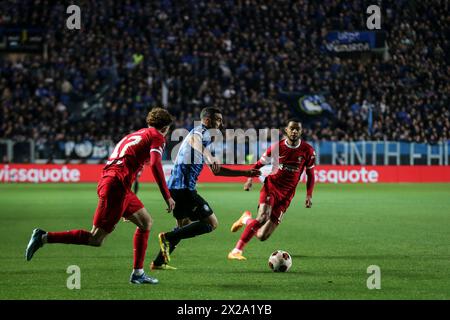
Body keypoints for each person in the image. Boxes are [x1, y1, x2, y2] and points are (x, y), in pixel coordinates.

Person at [25, 108, 176, 284]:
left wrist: (124, 205)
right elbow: (156, 165)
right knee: (95, 239)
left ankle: (138, 273)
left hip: (116, 184)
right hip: (116, 186)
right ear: (165, 128)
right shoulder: (157, 136)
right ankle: (43, 237)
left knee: (145, 222)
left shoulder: (135, 135)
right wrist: (167, 196)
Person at [150, 107, 260, 269]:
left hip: (175, 187)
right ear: (208, 120)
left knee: (183, 225)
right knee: (211, 223)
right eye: (218, 120)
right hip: (184, 188)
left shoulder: (206, 138)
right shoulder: (200, 131)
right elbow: (194, 140)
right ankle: (167, 237)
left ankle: (158, 262)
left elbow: (217, 171)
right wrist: (208, 155)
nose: (221, 124)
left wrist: (244, 173)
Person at [227, 119, 316, 260]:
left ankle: (246, 220)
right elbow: (258, 164)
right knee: (263, 217)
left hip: (287, 195)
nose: (294, 131)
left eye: (297, 129)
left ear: (301, 131)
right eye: (291, 129)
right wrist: (250, 179)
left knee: (262, 235)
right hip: (272, 187)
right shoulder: (276, 147)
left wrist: (309, 195)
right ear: (286, 130)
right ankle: (236, 250)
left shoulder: (308, 151)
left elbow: (310, 174)